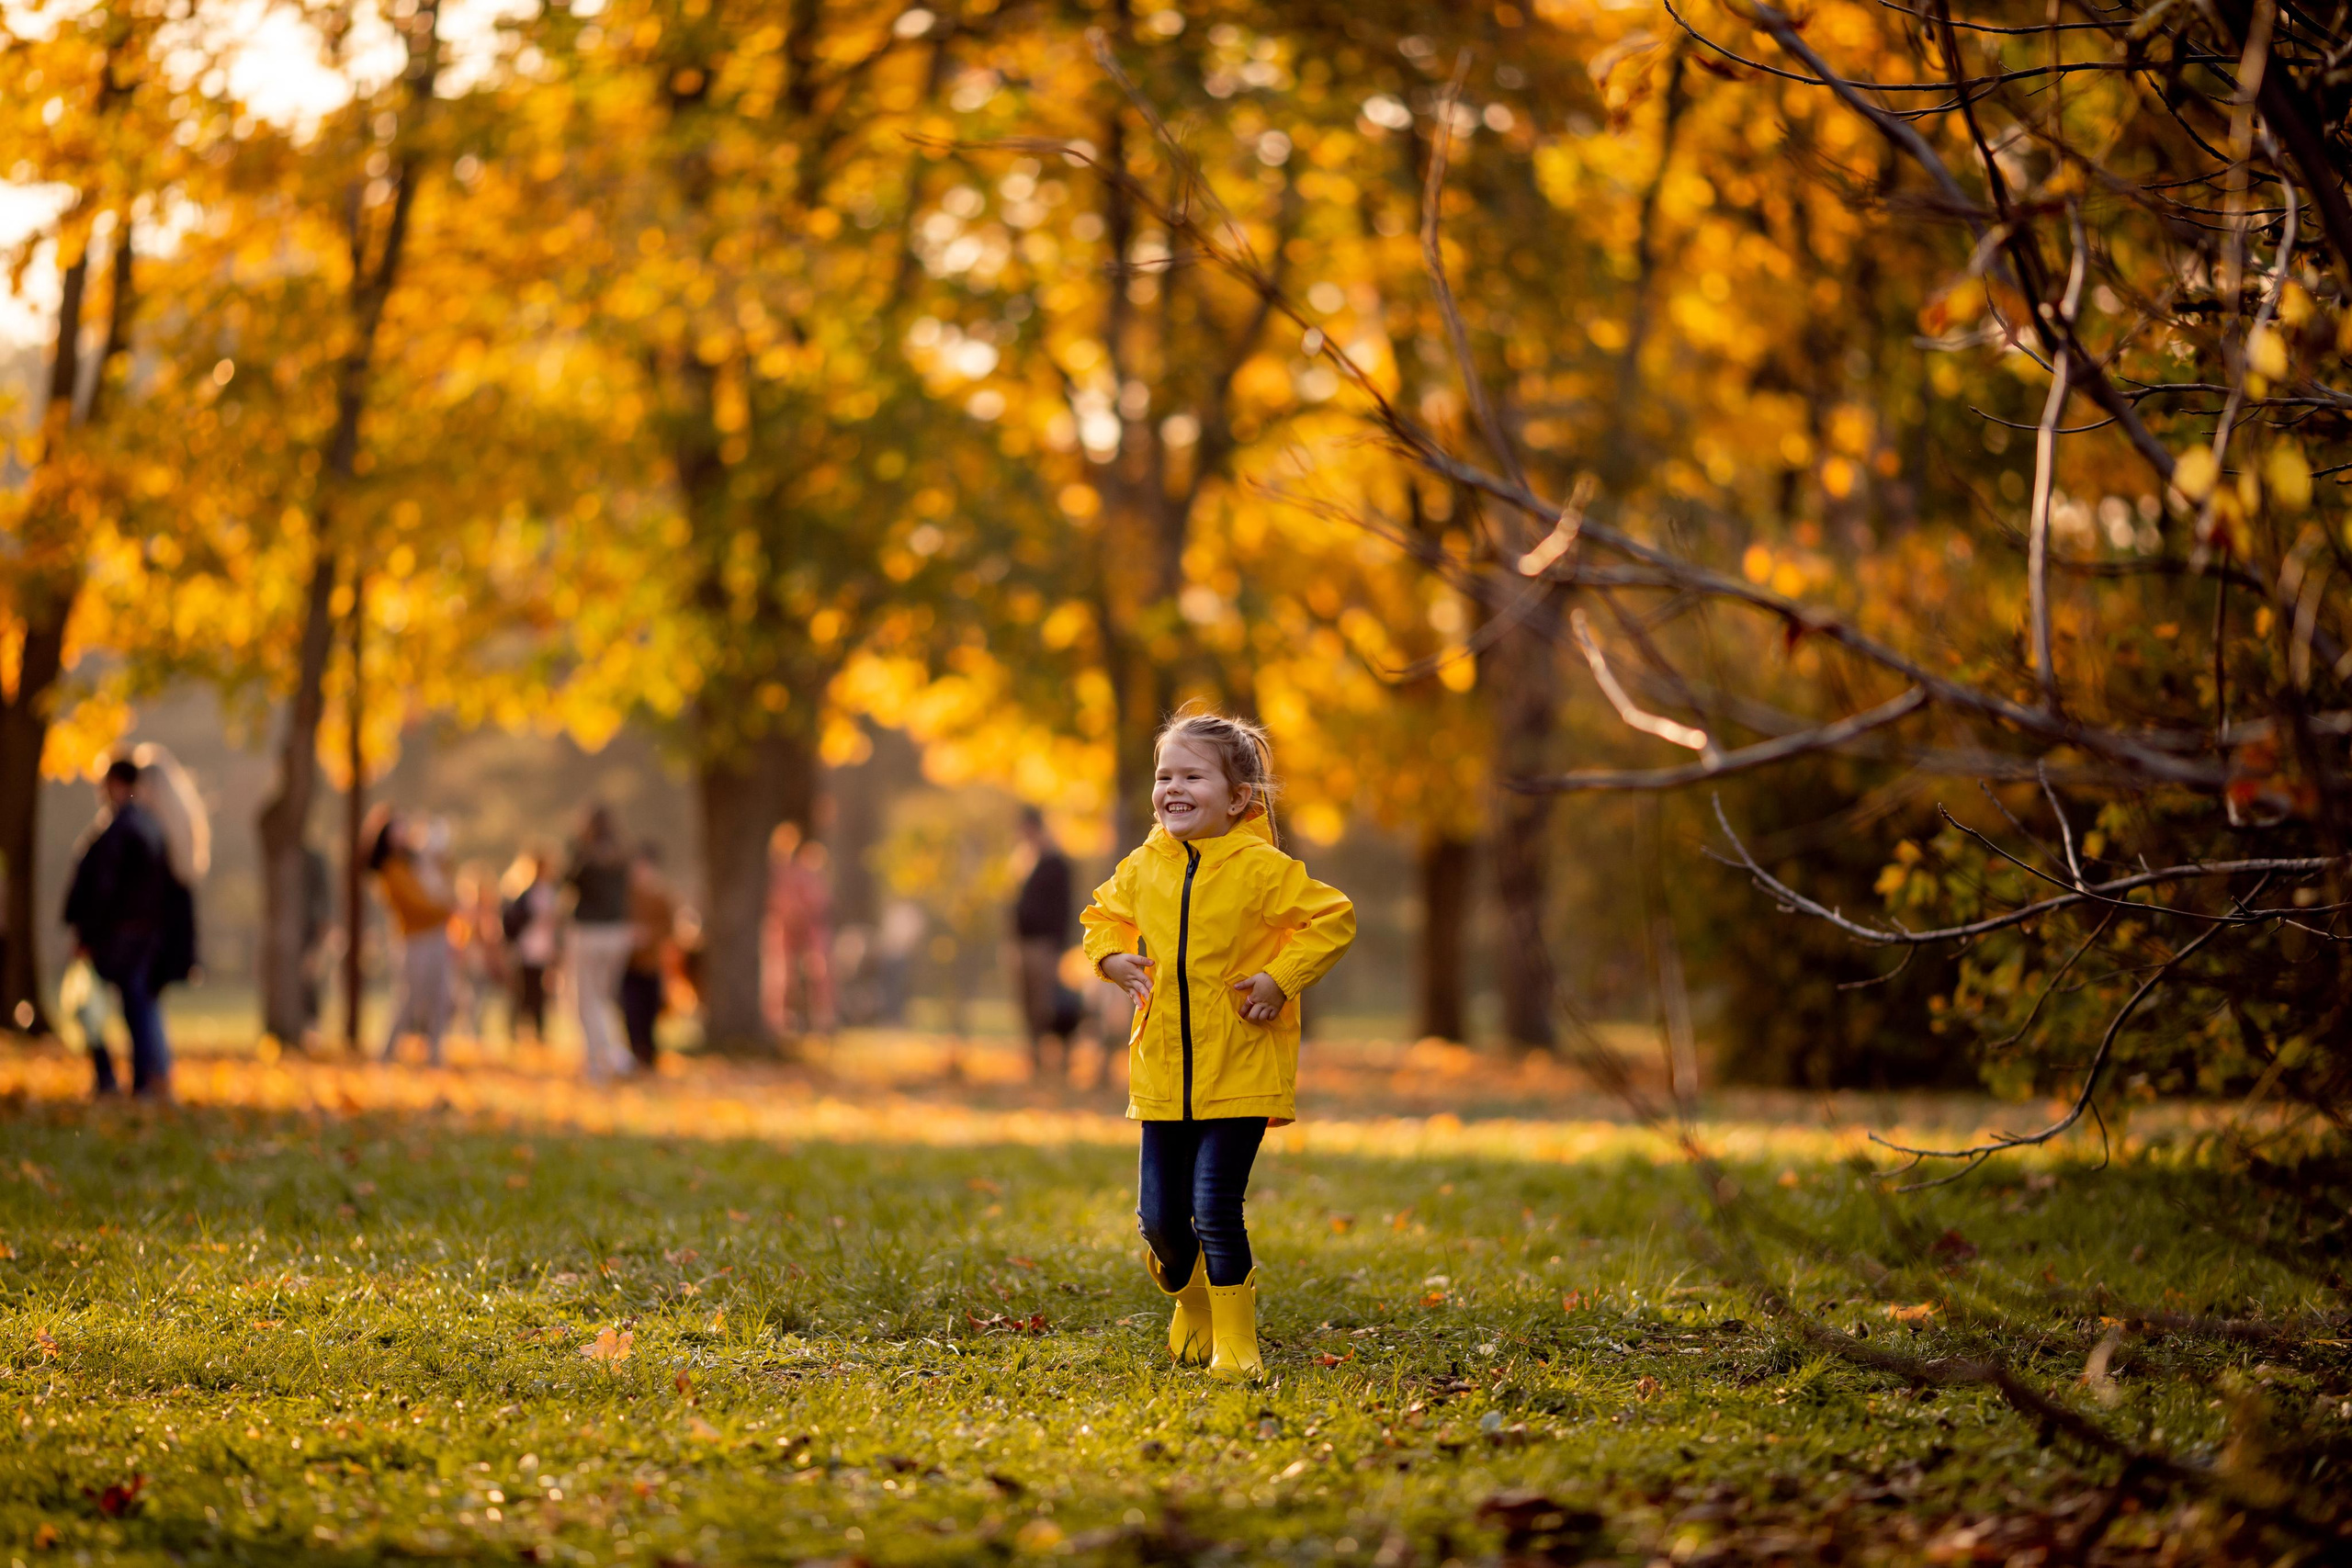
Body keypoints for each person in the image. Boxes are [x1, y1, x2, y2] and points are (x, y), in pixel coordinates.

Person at [1080, 708, 1355, 1382]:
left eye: (1192, 776)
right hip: (1161, 1072)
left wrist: (1279, 977)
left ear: (1237, 797)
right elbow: (1101, 916)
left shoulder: (1262, 867)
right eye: (1163, 774)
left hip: (1242, 1065)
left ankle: (1238, 1340)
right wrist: (1111, 957)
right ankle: (1193, 1299)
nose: (1172, 787)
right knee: (1162, 1222)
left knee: (1215, 1203)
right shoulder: (1143, 866)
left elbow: (1332, 917)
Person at [62, 757, 194, 1099]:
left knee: (101, 1008)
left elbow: (103, 888)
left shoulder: (120, 829)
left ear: (116, 784)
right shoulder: (150, 827)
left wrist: (87, 933)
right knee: (138, 1007)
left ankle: (121, 1078)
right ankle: (146, 1080)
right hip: (142, 936)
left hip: (120, 936)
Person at [371, 810, 457, 1065]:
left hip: (437, 935)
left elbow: (443, 877)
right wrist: (445, 909)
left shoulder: (416, 862)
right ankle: (386, 1052)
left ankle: (435, 1055)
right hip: (414, 939)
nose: (402, 835)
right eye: (396, 831)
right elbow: (413, 904)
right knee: (411, 998)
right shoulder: (391, 871)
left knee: (441, 996)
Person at [567, 806, 636, 1078]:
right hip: (617, 932)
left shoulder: (584, 855)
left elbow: (569, 881)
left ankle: (598, 1060)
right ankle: (618, 1055)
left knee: (588, 1000)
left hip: (589, 932)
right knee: (606, 998)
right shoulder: (622, 856)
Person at [1011, 807, 1075, 1082]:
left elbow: (1064, 908)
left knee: (1046, 1004)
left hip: (1044, 946)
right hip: (1022, 944)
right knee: (1026, 1003)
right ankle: (1035, 1058)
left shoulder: (1055, 863)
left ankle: (1059, 1059)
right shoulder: (1024, 862)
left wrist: (1058, 947)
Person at [620, 843, 677, 1070]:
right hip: (629, 963)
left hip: (652, 962)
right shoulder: (626, 897)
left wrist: (649, 935)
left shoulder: (661, 896)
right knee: (631, 1011)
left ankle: (650, 1054)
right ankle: (635, 1053)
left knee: (650, 1010)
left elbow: (669, 928)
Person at [502, 848, 560, 1044]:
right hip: (525, 948)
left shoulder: (550, 892)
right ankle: (514, 1032)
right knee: (522, 991)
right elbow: (512, 922)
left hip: (543, 949)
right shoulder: (522, 892)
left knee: (540, 993)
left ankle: (539, 1032)